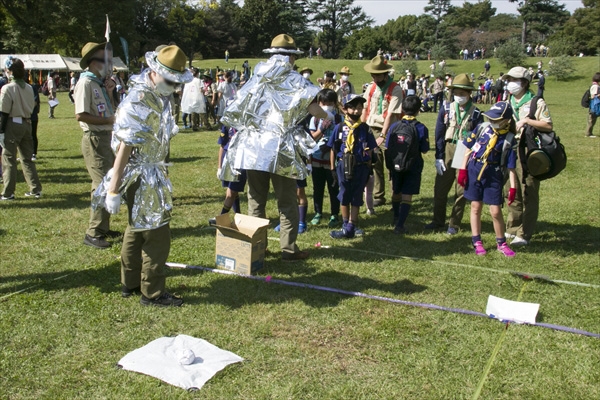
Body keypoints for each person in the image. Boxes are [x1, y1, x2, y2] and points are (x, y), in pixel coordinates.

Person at [93, 45, 193, 307]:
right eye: (170, 81)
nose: (174, 86)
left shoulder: (157, 94)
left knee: (137, 229)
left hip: (150, 171)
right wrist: (113, 189)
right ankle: (153, 292)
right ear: (154, 72)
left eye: (176, 82)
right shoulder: (139, 100)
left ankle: (131, 283)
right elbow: (124, 149)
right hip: (143, 175)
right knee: (157, 234)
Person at [220, 34, 328, 261]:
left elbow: (236, 107)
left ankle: (258, 248)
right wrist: (327, 117)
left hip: (253, 148)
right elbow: (314, 109)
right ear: (290, 57)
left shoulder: (256, 77)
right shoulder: (296, 80)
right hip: (281, 149)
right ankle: (288, 249)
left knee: (256, 201)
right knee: (286, 201)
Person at [425, 73, 483, 234]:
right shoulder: (446, 108)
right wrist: (438, 155)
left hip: (464, 151)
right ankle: (437, 220)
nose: (459, 96)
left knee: (460, 189)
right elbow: (439, 133)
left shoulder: (476, 113)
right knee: (440, 187)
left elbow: (479, 137)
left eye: (463, 93)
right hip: (448, 148)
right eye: (456, 93)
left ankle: (454, 223)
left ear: (469, 94)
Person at [458, 101, 517, 257]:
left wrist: (513, 188)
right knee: (475, 206)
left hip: (493, 175)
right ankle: (476, 240)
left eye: (496, 120)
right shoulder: (482, 128)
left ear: (506, 120)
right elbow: (467, 147)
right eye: (490, 118)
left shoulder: (510, 139)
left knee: (495, 211)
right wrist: (462, 170)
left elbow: (511, 167)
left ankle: (501, 242)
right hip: (474, 170)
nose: (492, 122)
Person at [74, 42, 119, 249]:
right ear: (93, 62)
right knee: (101, 185)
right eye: (104, 60)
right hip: (95, 139)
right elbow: (81, 115)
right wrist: (108, 122)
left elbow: (107, 110)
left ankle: (103, 227)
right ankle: (93, 232)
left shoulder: (99, 83)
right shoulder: (85, 83)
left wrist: (110, 92)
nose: (107, 64)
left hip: (106, 138)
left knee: (110, 182)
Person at [504, 66, 553, 246]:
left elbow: (548, 125)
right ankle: (512, 226)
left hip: (529, 150)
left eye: (513, 80)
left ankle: (525, 232)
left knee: (529, 190)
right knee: (512, 188)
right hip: (511, 148)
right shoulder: (508, 100)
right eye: (508, 80)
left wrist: (527, 120)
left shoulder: (535, 102)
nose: (510, 84)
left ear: (524, 83)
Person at [327, 94, 377, 239]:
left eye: (360, 108)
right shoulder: (339, 127)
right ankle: (344, 223)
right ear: (345, 109)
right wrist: (332, 169)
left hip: (360, 166)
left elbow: (371, 148)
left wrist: (369, 167)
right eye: (353, 108)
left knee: (356, 195)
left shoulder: (365, 129)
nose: (356, 111)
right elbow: (333, 148)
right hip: (343, 164)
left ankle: (352, 225)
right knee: (344, 194)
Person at [362, 56, 403, 208]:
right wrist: (362, 128)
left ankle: (396, 196)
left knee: (393, 164)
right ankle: (379, 195)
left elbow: (391, 114)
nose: (375, 78)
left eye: (378, 75)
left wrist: (383, 135)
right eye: (373, 75)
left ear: (386, 74)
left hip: (390, 130)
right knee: (375, 162)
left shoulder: (395, 89)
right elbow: (365, 108)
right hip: (371, 127)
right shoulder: (371, 87)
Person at [385, 96, 429, 234]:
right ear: (418, 111)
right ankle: (400, 224)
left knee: (396, 191)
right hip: (413, 165)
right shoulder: (421, 128)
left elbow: (387, 145)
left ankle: (396, 216)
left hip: (396, 164)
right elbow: (425, 149)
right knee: (407, 195)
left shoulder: (394, 126)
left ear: (402, 109)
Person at [0, 56, 43, 200]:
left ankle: (8, 192)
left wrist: (1, 131)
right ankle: (35, 188)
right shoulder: (30, 88)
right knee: (27, 159)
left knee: (9, 159)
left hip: (13, 122)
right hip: (27, 123)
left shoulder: (8, 88)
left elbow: (4, 113)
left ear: (10, 71)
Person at [309, 89, 341, 227]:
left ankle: (334, 214)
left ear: (334, 103)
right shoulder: (314, 119)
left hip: (332, 160)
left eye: (330, 103)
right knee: (318, 187)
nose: (327, 106)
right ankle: (318, 212)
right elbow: (311, 139)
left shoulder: (339, 119)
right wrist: (321, 129)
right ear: (319, 103)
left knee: (334, 187)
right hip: (317, 158)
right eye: (324, 103)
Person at [28, 75, 40, 161]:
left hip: (32, 116)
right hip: (24, 116)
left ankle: (33, 153)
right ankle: (25, 153)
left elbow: (35, 102)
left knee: (32, 135)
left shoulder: (32, 88)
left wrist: (28, 112)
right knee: (24, 136)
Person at [585, 72, 600, 138]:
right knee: (591, 119)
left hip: (595, 104)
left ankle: (589, 133)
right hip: (594, 105)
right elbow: (593, 96)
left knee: (593, 119)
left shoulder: (595, 85)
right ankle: (588, 133)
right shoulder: (595, 86)